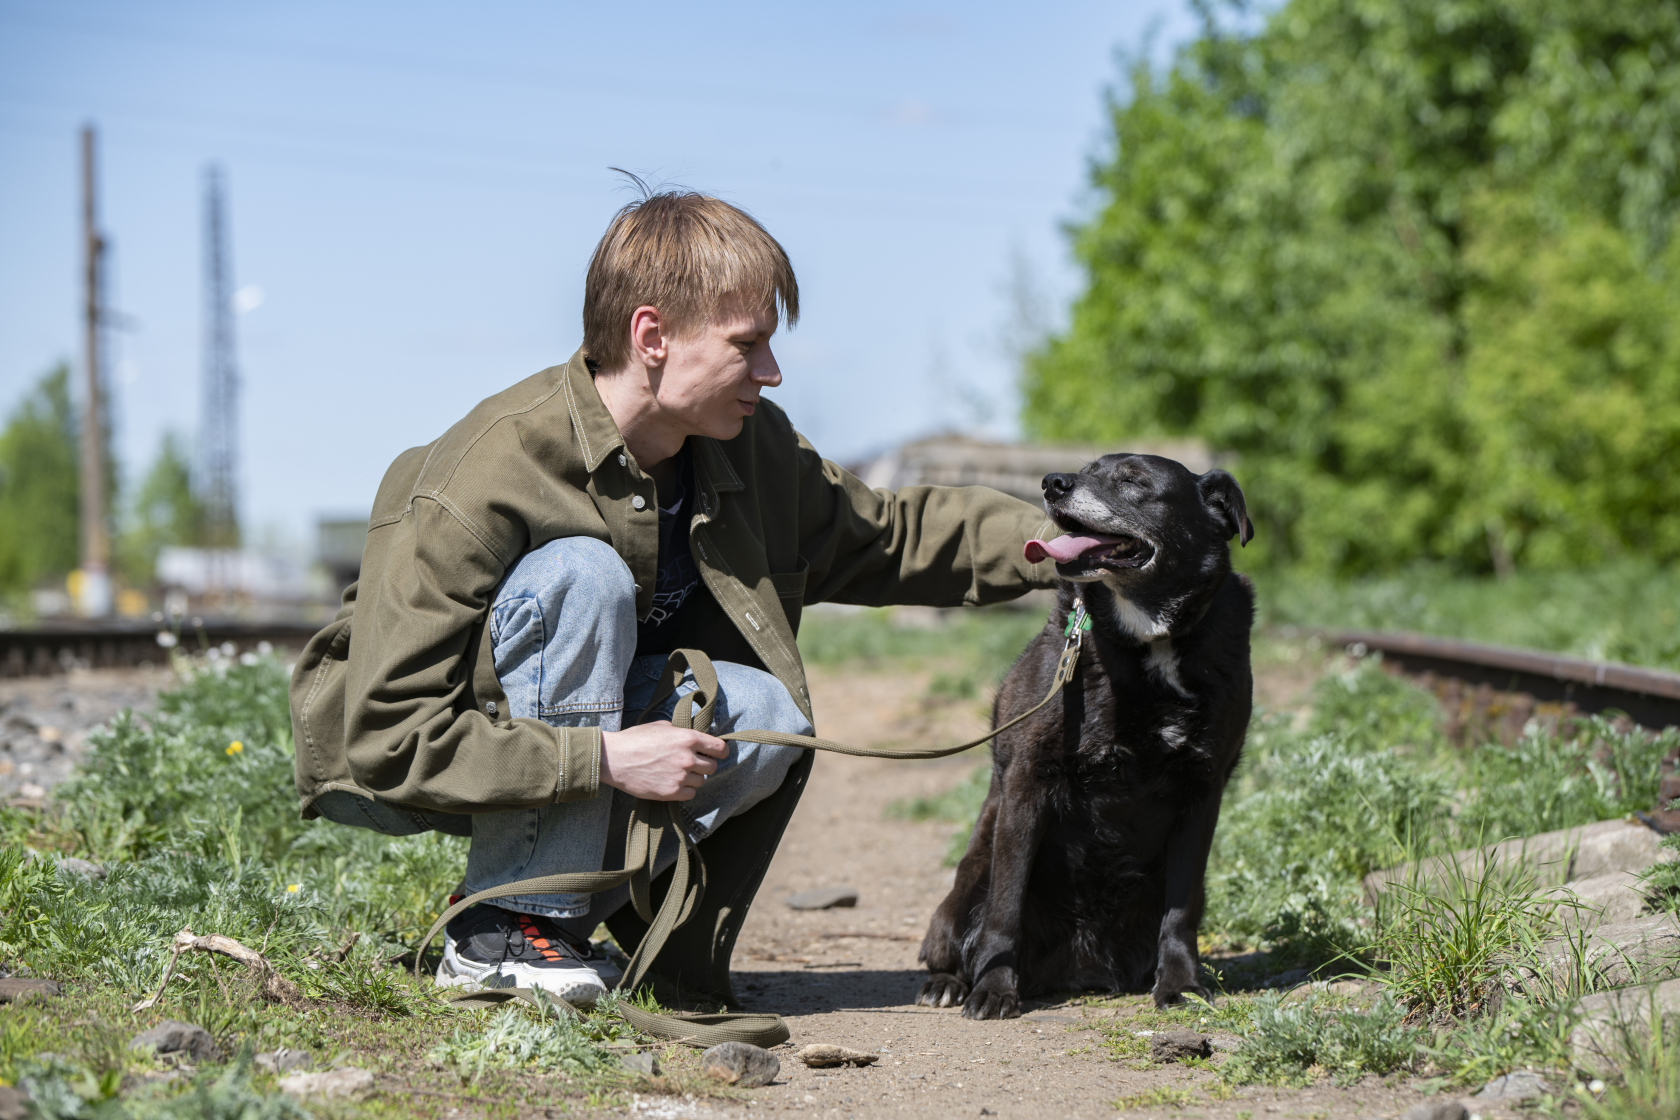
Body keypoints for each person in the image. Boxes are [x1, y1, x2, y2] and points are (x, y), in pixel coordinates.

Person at [288, 188, 1060, 1007]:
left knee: (769, 716)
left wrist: (1058, 545)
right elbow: (388, 736)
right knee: (583, 575)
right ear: (651, 337)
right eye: (748, 345)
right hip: (413, 749)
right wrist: (609, 757)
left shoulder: (744, 445)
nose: (771, 371)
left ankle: (550, 922)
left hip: (566, 745)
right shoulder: (486, 471)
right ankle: (503, 930)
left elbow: (889, 534)